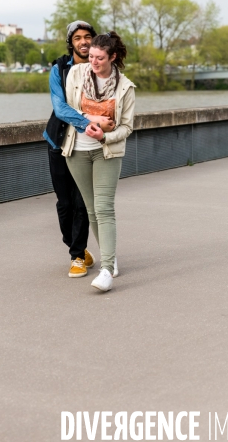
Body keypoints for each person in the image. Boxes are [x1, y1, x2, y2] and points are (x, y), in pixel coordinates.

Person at [62, 31, 136, 292]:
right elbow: (66, 111)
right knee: (91, 209)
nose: (92, 61)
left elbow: (126, 128)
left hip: (107, 152)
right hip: (77, 150)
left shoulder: (125, 87)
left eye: (99, 58)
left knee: (104, 209)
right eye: (91, 56)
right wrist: (91, 121)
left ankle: (106, 269)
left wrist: (104, 136)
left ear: (112, 57)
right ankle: (110, 256)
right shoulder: (75, 75)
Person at [43, 20, 115, 278]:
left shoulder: (102, 67)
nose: (83, 42)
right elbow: (60, 109)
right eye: (78, 38)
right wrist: (89, 122)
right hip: (60, 141)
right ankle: (76, 248)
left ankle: (76, 255)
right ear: (71, 43)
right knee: (64, 203)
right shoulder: (59, 69)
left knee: (83, 202)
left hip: (88, 146)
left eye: (88, 37)